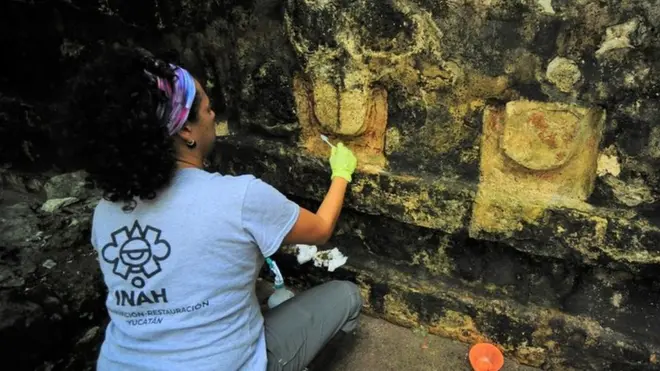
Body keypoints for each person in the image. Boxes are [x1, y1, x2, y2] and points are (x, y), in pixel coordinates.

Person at [68, 45, 362, 371]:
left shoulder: (106, 212)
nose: (212, 116)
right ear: (186, 131)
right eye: (208, 108)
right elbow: (320, 230)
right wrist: (341, 173)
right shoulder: (238, 197)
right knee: (345, 295)